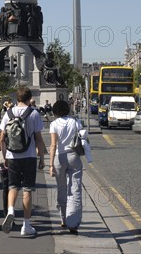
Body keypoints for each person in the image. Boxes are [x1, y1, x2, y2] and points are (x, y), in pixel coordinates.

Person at [0, 86, 44, 237]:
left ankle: (11, 210)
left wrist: (5, 157)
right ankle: (26, 225)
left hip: (12, 156)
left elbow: (1, 138)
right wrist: (42, 158)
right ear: (29, 98)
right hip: (29, 156)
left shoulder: (8, 113)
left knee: (13, 187)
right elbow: (38, 138)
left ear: (16, 98)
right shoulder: (34, 113)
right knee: (27, 190)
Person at [49, 99, 83, 234]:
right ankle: (73, 222)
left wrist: (50, 164)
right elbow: (82, 138)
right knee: (75, 189)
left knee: (62, 189)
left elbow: (53, 145)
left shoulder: (54, 124)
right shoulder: (75, 122)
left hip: (60, 158)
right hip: (74, 156)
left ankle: (63, 218)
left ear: (55, 111)